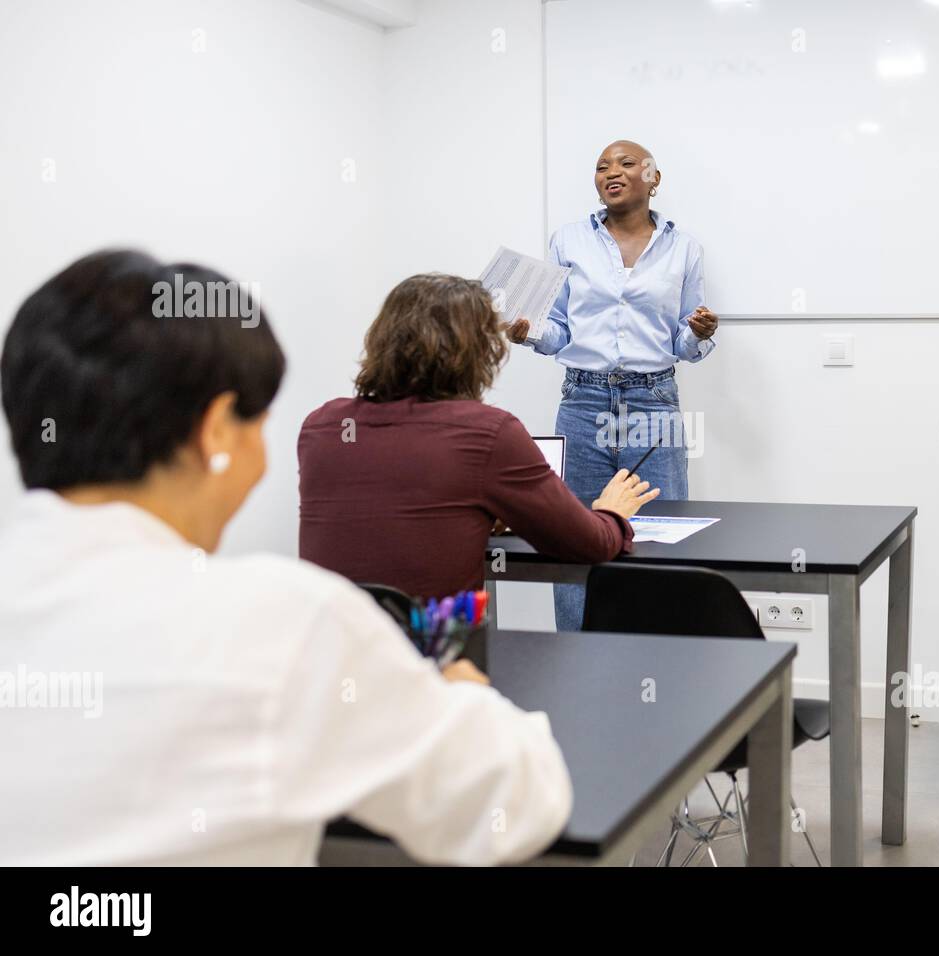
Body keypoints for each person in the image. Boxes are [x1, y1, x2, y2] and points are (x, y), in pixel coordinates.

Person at [0, 250, 571, 866]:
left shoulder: (326, 439)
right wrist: (463, 686)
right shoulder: (287, 627)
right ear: (216, 431)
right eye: (258, 424)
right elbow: (517, 804)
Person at [297, 273, 659, 601]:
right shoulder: (488, 433)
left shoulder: (321, 427)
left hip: (326, 658)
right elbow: (591, 546)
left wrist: (474, 515)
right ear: (478, 351)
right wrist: (612, 512)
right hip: (437, 660)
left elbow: (394, 521)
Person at [505, 140, 718, 629]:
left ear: (654, 178)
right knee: (575, 535)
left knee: (660, 533)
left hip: (653, 401)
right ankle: (578, 660)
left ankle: (658, 659)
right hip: (583, 400)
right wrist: (529, 330)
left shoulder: (683, 247)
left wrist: (699, 332)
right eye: (601, 167)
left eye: (625, 164)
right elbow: (558, 329)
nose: (611, 173)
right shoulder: (568, 240)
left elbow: (684, 340)